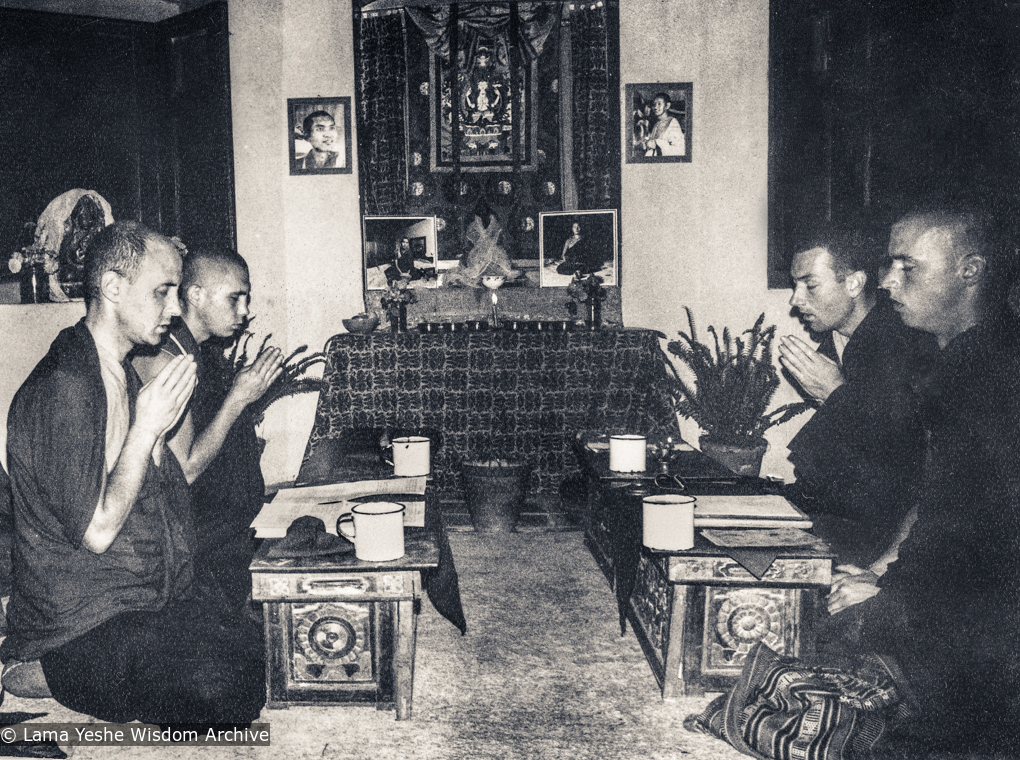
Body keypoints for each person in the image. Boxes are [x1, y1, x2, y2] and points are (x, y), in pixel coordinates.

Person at [1, 221, 265, 725]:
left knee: (267, 648)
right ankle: (44, 669)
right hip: (82, 619)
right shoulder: (66, 387)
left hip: (147, 598)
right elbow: (97, 532)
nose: (173, 308)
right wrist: (146, 430)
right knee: (221, 694)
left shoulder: (120, 367)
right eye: (163, 292)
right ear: (114, 288)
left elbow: (165, 492)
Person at [820, 208, 1020, 754]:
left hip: (991, 621)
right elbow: (935, 501)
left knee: (826, 639)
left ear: (969, 270)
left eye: (908, 268)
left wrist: (888, 592)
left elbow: (974, 534)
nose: (887, 282)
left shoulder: (989, 372)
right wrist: (879, 569)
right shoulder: (960, 356)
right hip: (967, 595)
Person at [134, 247, 283, 611]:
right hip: (198, 542)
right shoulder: (165, 357)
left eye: (246, 299)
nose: (245, 311)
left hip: (229, 528)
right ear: (196, 295)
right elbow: (184, 469)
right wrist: (239, 397)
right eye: (235, 298)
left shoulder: (197, 349)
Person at [778, 230, 936, 565]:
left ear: (853, 284)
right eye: (794, 285)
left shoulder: (899, 343)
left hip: (883, 536)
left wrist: (837, 395)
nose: (795, 299)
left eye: (810, 284)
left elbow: (908, 463)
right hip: (832, 514)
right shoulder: (834, 339)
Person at [641, 93, 684, 157]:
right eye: (654, 104)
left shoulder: (673, 123)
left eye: (659, 104)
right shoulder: (656, 125)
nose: (655, 107)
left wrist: (657, 144)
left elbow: (679, 151)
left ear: (667, 106)